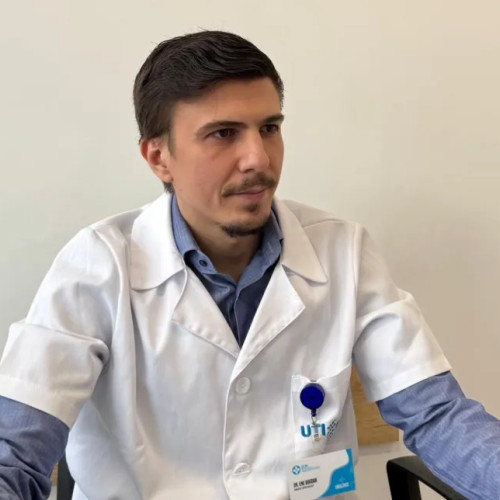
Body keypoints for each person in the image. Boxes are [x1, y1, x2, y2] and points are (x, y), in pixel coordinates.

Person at [0, 30, 498, 500]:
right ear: (158, 157)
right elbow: (14, 453)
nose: (259, 158)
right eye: (223, 134)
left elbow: (438, 416)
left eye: (269, 128)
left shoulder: (343, 250)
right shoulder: (98, 266)